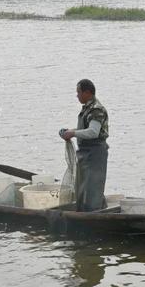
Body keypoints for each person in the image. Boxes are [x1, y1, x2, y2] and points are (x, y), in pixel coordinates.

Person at [60, 79, 109, 212]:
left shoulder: (96, 109)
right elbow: (86, 129)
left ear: (87, 92)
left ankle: (95, 212)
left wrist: (73, 133)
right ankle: (89, 209)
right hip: (85, 153)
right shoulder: (88, 107)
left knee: (93, 186)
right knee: (84, 185)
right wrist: (69, 131)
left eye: (79, 92)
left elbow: (93, 132)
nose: (77, 95)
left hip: (95, 153)